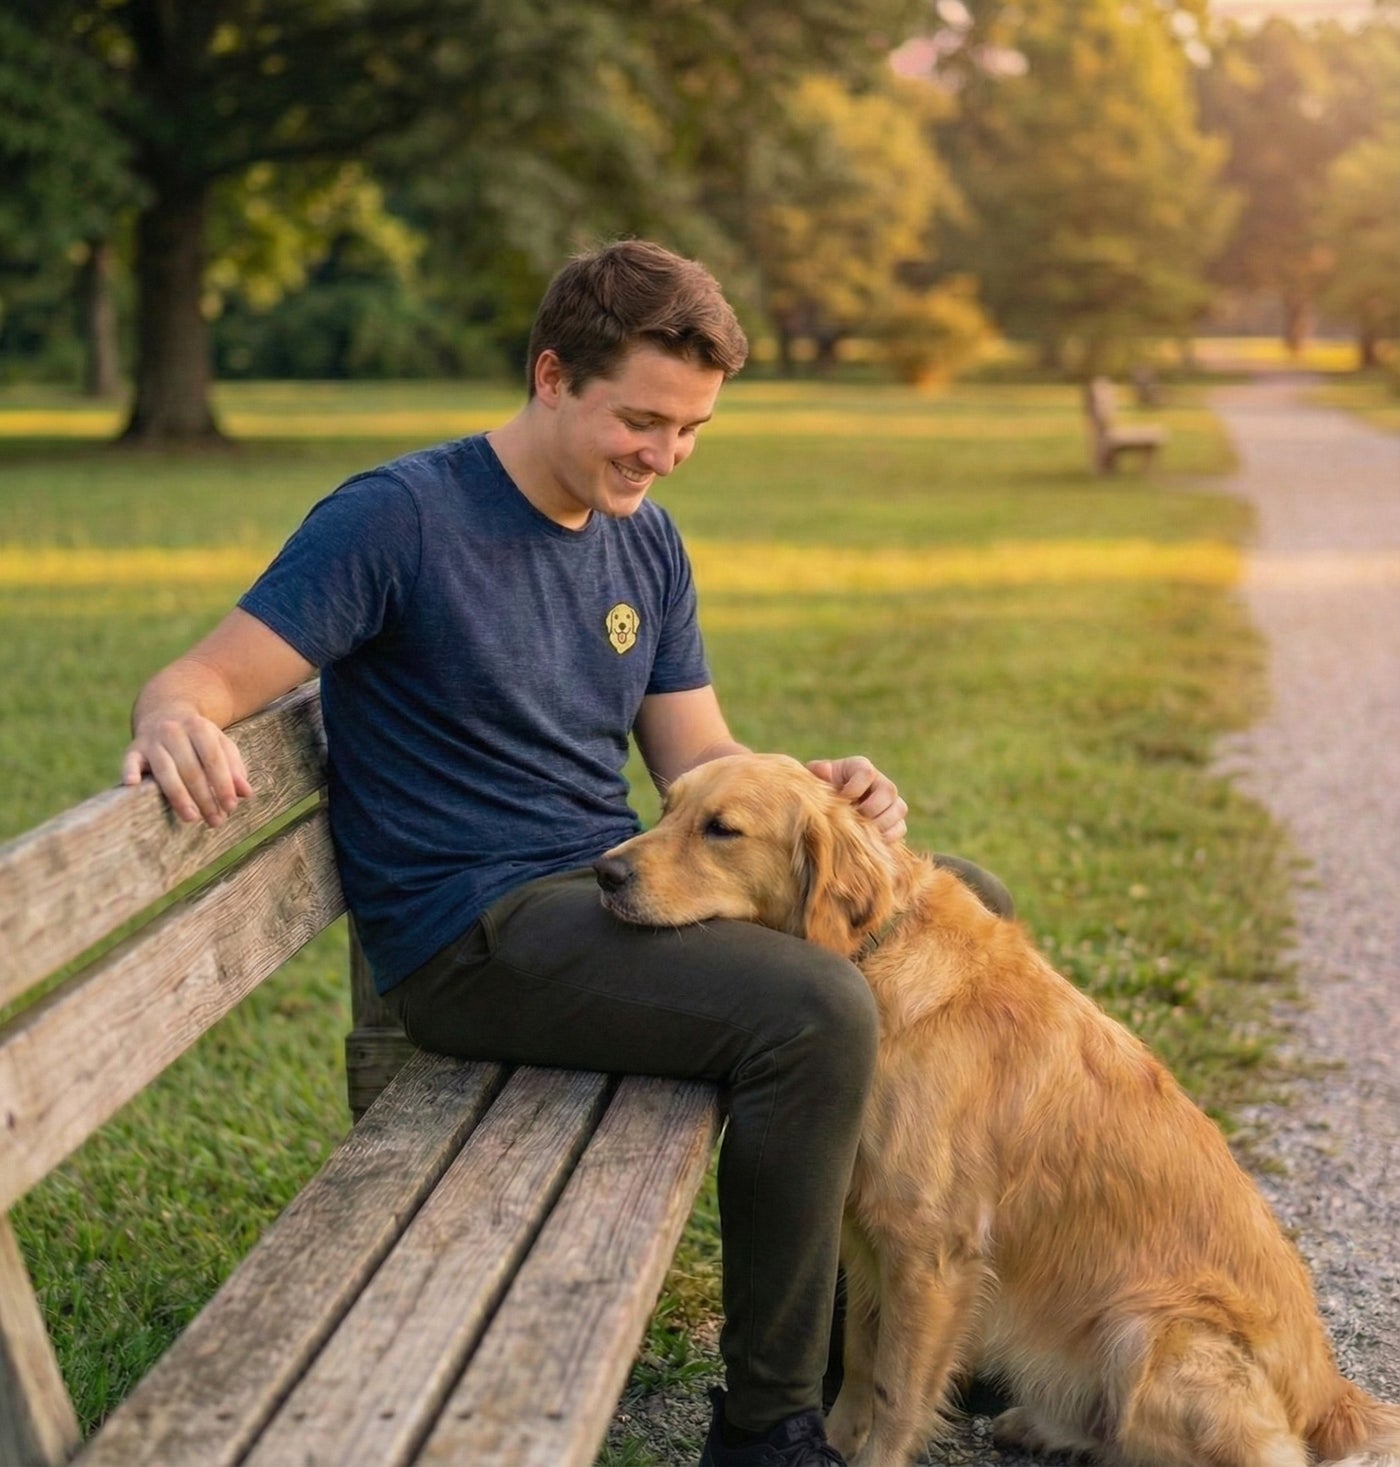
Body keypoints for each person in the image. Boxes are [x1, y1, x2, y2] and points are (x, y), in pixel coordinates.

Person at [123, 239, 1009, 1467]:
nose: (664, 454)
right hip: (474, 937)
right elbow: (206, 676)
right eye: (641, 420)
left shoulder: (642, 541)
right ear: (552, 376)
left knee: (951, 902)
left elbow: (698, 754)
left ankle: (910, 1314)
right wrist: (175, 713)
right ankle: (770, 1417)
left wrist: (822, 800)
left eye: (691, 428)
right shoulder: (400, 519)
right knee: (810, 1009)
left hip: (611, 887)